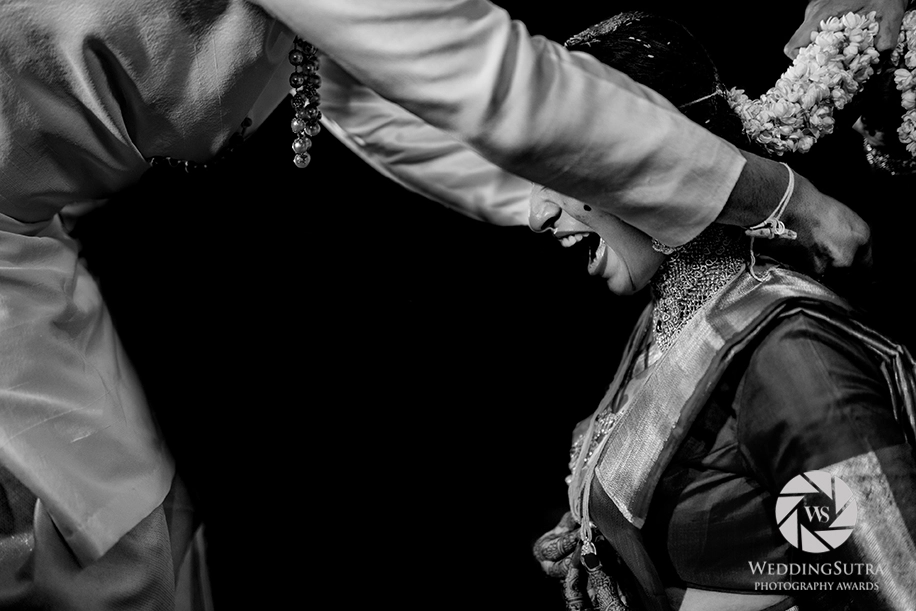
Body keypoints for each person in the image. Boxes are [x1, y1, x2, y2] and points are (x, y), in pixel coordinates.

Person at [0, 0, 880, 607]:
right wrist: (775, 195)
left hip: (26, 235)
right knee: (117, 560)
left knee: (133, 557)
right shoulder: (702, 328)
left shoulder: (784, 339)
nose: (554, 212)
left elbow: (870, 561)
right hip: (17, 238)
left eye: (573, 186)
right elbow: (482, 80)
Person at [527, 12, 916, 611]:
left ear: (649, 173)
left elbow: (893, 584)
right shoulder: (668, 319)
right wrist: (598, 540)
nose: (536, 214)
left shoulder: (792, 351)